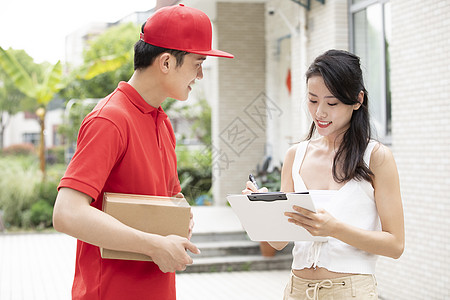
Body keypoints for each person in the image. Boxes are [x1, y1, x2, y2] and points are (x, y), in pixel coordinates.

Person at [53, 4, 233, 300]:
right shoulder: (110, 120)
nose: (200, 75)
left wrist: (180, 213)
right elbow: (67, 214)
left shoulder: (161, 121)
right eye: (197, 63)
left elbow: (169, 196)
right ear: (165, 62)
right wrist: (153, 245)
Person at [243, 50, 404, 300]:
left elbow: (395, 245)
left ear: (357, 100)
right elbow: (278, 243)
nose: (319, 113)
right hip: (297, 291)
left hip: (352, 292)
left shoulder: (376, 157)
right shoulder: (295, 155)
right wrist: (261, 211)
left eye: (332, 103)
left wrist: (335, 229)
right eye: (312, 100)